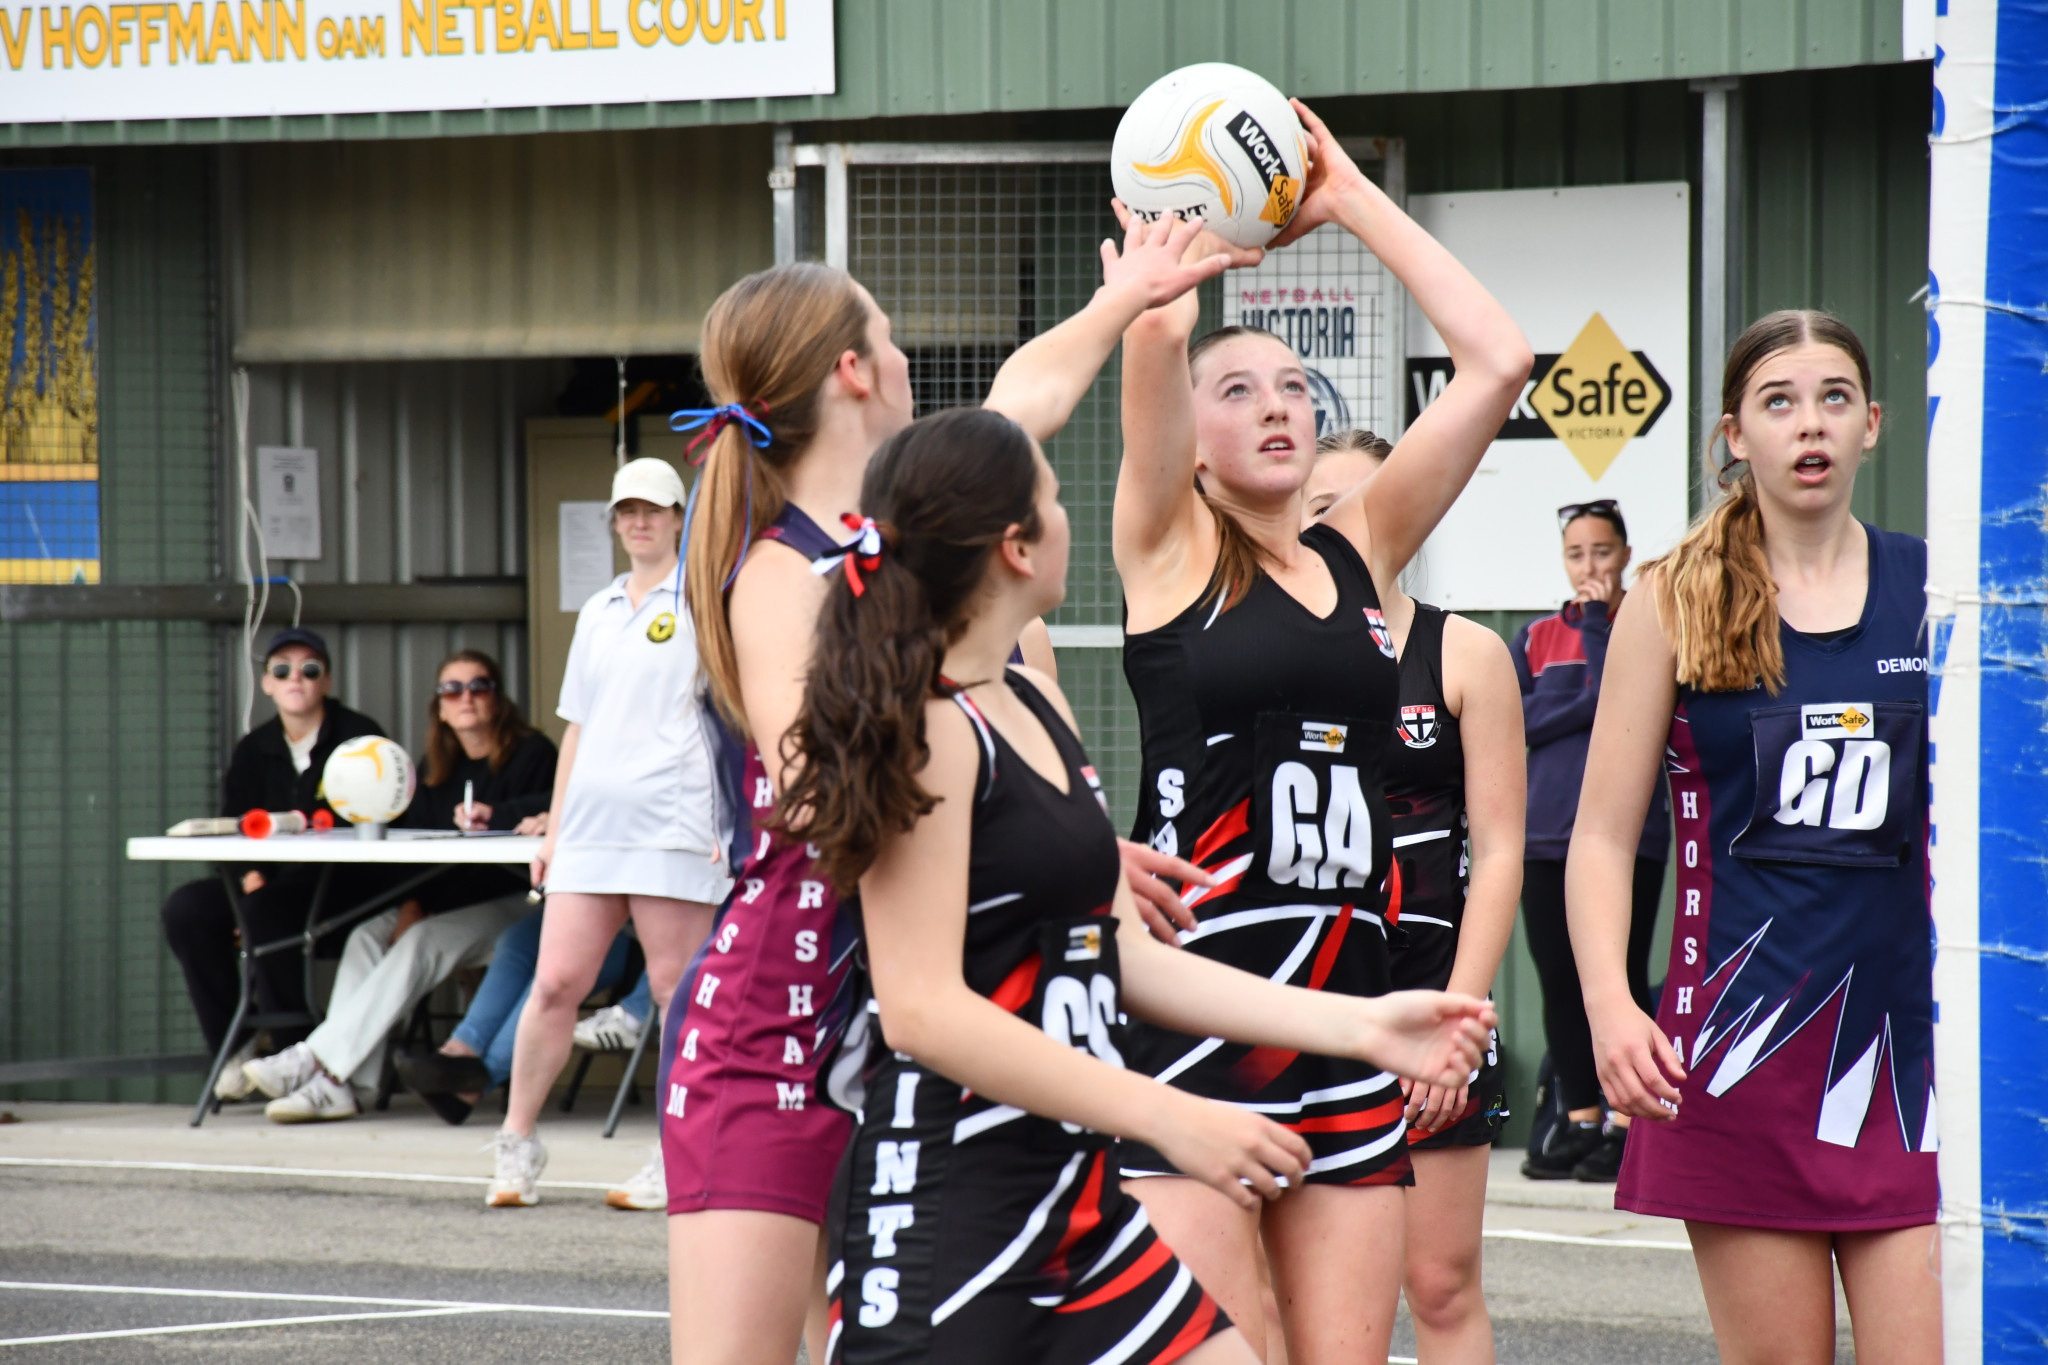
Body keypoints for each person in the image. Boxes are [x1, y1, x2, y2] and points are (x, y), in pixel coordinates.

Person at [776, 406, 1495, 1365]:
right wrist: (1166, 1113)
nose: (1077, 516)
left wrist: (1360, 1026)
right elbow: (919, 1012)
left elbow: (1122, 955)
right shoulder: (931, 727)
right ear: (1017, 547)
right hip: (957, 1199)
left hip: (1075, 1189)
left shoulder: (1031, 704)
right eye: (1055, 499)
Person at [662, 216, 1238, 1365]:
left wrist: (1126, 299)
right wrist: (1009, 823)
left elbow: (1028, 396)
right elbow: (828, 798)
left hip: (910, 1016)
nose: (908, 355)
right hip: (786, 1020)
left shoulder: (904, 526)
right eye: (889, 332)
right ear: (852, 370)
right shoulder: (784, 570)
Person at [1111, 97, 1533, 1364]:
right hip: (1204, 1013)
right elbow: (1155, 347)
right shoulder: (1168, 549)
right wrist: (1162, 277)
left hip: (1352, 1014)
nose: (1277, 403)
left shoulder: (1358, 551)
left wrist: (1345, 196)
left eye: (1293, 383)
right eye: (1236, 391)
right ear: (1190, 443)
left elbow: (1498, 361)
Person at [1568, 310, 1938, 1364]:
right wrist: (1607, 1004)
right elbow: (1599, 835)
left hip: (1905, 1055)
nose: (1806, 424)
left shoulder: (1934, 592)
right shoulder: (1671, 600)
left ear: (1870, 425)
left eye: (1830, 399)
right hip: (1734, 1057)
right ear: (1733, 434)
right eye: (1776, 402)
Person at [1305, 429, 1525, 1364]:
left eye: (1365, 499)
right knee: (1301, 1292)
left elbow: (1503, 849)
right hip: (1301, 1001)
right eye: (1324, 506)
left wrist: (1460, 1029)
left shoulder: (1466, 652)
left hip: (1432, 1000)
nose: (1346, 524)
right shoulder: (1259, 651)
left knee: (1438, 1285)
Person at [489, 457, 731, 1210]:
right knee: (556, 981)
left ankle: (677, 1156)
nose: (638, 522)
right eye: (626, 510)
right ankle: (515, 1146)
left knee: (673, 992)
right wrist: (556, 831)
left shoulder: (706, 598)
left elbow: (735, 715)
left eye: (653, 509)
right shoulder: (596, 610)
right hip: (592, 831)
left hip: (674, 824)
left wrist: (730, 818)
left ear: (678, 516)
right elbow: (577, 728)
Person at [239, 649, 557, 1122]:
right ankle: (348, 1086)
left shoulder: (534, 753)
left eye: (479, 686)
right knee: (367, 936)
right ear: (440, 706)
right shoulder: (435, 766)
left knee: (422, 941)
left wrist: (500, 817)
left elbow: (554, 806)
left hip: (519, 901)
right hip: (445, 901)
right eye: (453, 689)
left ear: (498, 698)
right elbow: (421, 857)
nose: (466, 697)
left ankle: (315, 1061)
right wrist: (413, 903)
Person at [1509, 499, 1672, 1181]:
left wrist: (1603, 624)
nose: (1590, 566)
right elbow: (1511, 721)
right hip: (1543, 833)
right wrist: (1577, 708)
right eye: (1577, 554)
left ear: (1625, 554)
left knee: (1620, 976)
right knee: (1558, 981)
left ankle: (1625, 1119)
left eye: (1602, 552)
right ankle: (1578, 1117)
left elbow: (1625, 698)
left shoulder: (1645, 622)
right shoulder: (1537, 635)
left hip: (1631, 837)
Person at [161, 627, 385, 1098]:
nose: (295, 679)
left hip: (344, 888)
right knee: (187, 909)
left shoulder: (360, 738)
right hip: (266, 886)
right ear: (266, 684)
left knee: (268, 913)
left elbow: (382, 816)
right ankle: (237, 1044)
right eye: (282, 670)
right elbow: (231, 825)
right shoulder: (253, 749)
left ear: (327, 681)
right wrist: (249, 876)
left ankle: (294, 1053)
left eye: (309, 669)